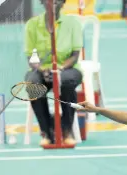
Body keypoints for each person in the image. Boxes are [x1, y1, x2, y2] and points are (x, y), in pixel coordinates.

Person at [24, 0, 83, 146]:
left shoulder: (72, 23)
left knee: (67, 82)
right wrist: (42, 69)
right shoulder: (32, 25)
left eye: (58, 1)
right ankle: (46, 132)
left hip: (67, 68)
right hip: (41, 69)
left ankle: (66, 130)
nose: (54, 3)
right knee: (33, 83)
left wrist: (60, 69)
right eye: (50, 1)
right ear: (43, 2)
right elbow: (31, 57)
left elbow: (75, 54)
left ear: (63, 3)